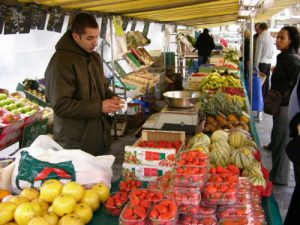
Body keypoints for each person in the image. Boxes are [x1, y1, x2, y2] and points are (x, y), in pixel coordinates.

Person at [45, 13, 124, 156]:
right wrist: (100, 106)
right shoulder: (61, 62)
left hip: (98, 135)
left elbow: (102, 87)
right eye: (89, 38)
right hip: (74, 140)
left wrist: (112, 97)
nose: (95, 43)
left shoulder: (94, 57)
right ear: (76, 36)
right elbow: (61, 105)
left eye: (97, 37)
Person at [268, 26, 300, 186]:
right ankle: (275, 174)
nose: (278, 40)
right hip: (280, 105)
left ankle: (279, 177)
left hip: (286, 107)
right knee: (277, 139)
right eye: (277, 37)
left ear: (291, 40)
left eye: (282, 38)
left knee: (282, 143)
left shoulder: (292, 59)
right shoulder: (284, 57)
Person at [254, 22, 274, 98]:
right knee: (266, 84)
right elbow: (272, 51)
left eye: (257, 30)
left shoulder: (260, 37)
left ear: (260, 29)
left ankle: (260, 99)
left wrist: (255, 65)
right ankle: (266, 98)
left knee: (260, 83)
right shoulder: (270, 37)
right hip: (268, 63)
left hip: (261, 64)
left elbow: (258, 53)